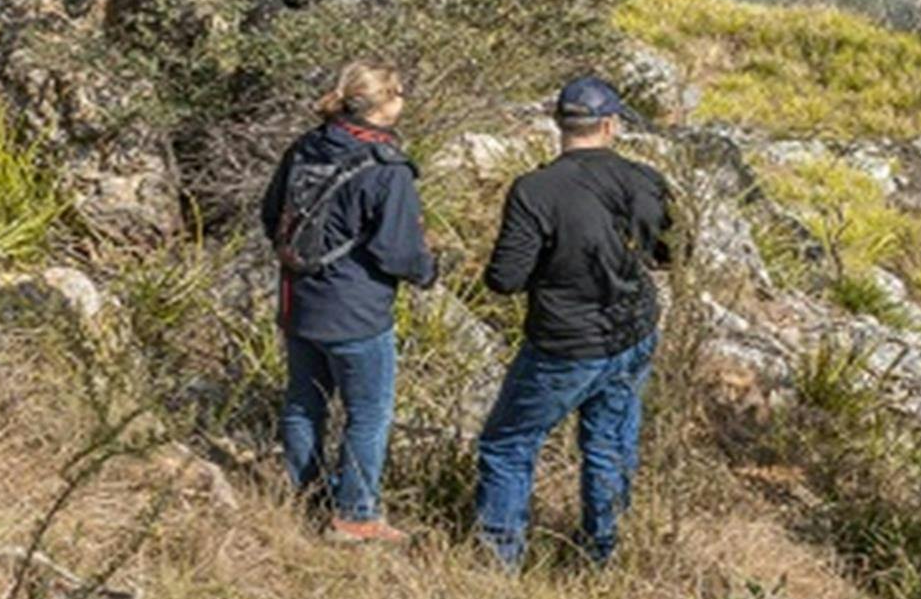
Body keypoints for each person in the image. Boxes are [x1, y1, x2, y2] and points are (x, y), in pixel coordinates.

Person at [473, 76, 672, 568]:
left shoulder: (535, 190)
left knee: (507, 444)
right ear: (610, 125)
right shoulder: (645, 180)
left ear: (560, 124)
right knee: (608, 446)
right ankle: (602, 555)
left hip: (564, 342)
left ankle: (499, 562)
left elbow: (504, 279)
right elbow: (669, 253)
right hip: (632, 331)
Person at [260, 60, 436, 545]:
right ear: (383, 104)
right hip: (357, 311)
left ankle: (305, 499)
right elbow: (396, 251)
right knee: (368, 413)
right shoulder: (387, 170)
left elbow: (271, 214)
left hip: (299, 302)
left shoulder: (305, 148)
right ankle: (356, 514)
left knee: (303, 402)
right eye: (400, 92)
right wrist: (430, 269)